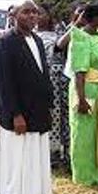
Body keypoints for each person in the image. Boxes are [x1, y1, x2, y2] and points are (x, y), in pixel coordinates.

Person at [0, 0, 57, 194]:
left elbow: (42, 74)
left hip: (38, 110)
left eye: (35, 12)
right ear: (14, 15)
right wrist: (15, 114)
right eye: (26, 12)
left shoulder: (38, 40)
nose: (32, 16)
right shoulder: (5, 42)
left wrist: (48, 103)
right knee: (16, 163)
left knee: (37, 158)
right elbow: (3, 83)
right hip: (19, 114)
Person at [68, 1, 98, 185]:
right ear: (93, 18)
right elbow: (79, 72)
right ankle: (84, 175)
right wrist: (81, 100)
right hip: (86, 89)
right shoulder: (81, 37)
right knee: (84, 132)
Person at [36, 11, 70, 168]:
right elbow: (56, 48)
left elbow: (62, 49)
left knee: (60, 115)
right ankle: (48, 152)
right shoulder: (32, 34)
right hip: (43, 77)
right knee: (48, 114)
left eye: (42, 13)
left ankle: (59, 151)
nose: (38, 16)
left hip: (59, 78)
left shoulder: (58, 32)